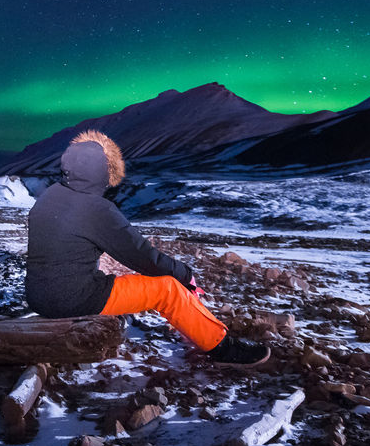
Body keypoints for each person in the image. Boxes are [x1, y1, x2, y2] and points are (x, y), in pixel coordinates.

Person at [25, 129, 270, 367]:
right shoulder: (97, 209)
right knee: (168, 290)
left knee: (124, 281)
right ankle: (223, 348)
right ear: (102, 171)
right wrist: (184, 274)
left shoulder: (50, 195)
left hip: (38, 296)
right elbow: (143, 257)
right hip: (72, 300)